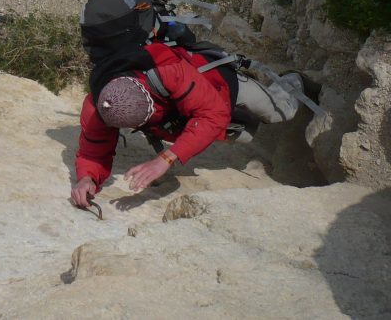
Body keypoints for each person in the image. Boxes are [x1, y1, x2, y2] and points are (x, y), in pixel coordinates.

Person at [70, 19, 316, 209]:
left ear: (150, 103)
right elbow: (94, 147)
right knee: (246, 136)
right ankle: (249, 119)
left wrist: (165, 159)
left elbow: (213, 115)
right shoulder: (100, 105)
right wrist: (87, 178)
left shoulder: (170, 74)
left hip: (221, 84)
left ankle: (294, 80)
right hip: (186, 109)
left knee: (280, 112)